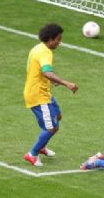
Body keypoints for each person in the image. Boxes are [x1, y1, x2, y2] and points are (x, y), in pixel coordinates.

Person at [23, 23, 78, 166]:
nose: (59, 42)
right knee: (51, 128)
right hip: (38, 96)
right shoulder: (45, 52)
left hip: (43, 93)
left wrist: (50, 81)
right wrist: (66, 83)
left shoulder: (38, 48)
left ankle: (41, 147)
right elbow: (47, 72)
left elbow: (39, 71)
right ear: (51, 38)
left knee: (57, 117)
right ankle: (32, 154)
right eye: (58, 39)